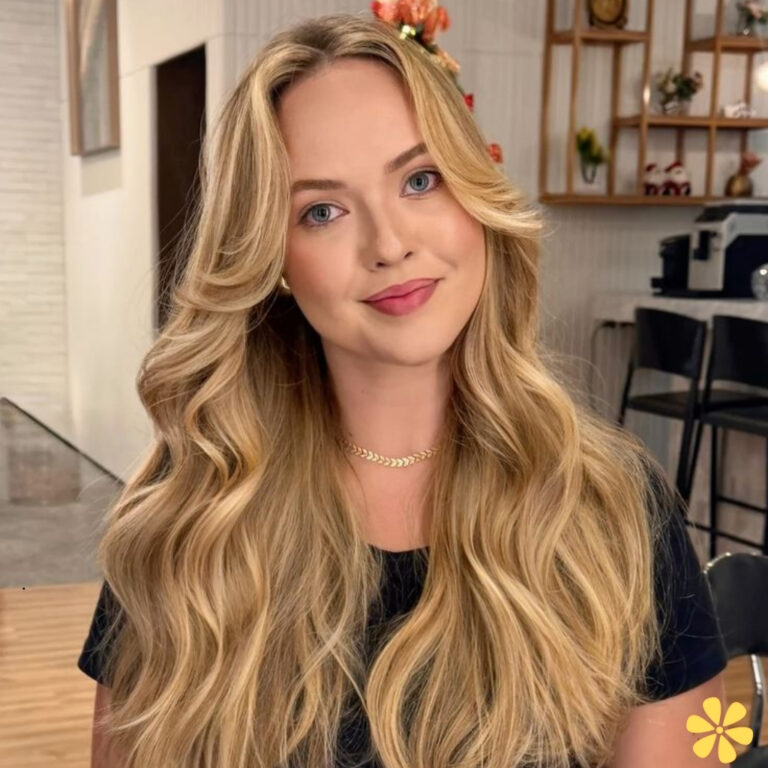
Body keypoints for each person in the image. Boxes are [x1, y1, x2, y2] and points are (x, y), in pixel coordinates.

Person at [76, 11, 728, 768]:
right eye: (322, 211)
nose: (389, 245)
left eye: (421, 180)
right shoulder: (191, 508)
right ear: (273, 259)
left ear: (476, 196)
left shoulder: (615, 506)